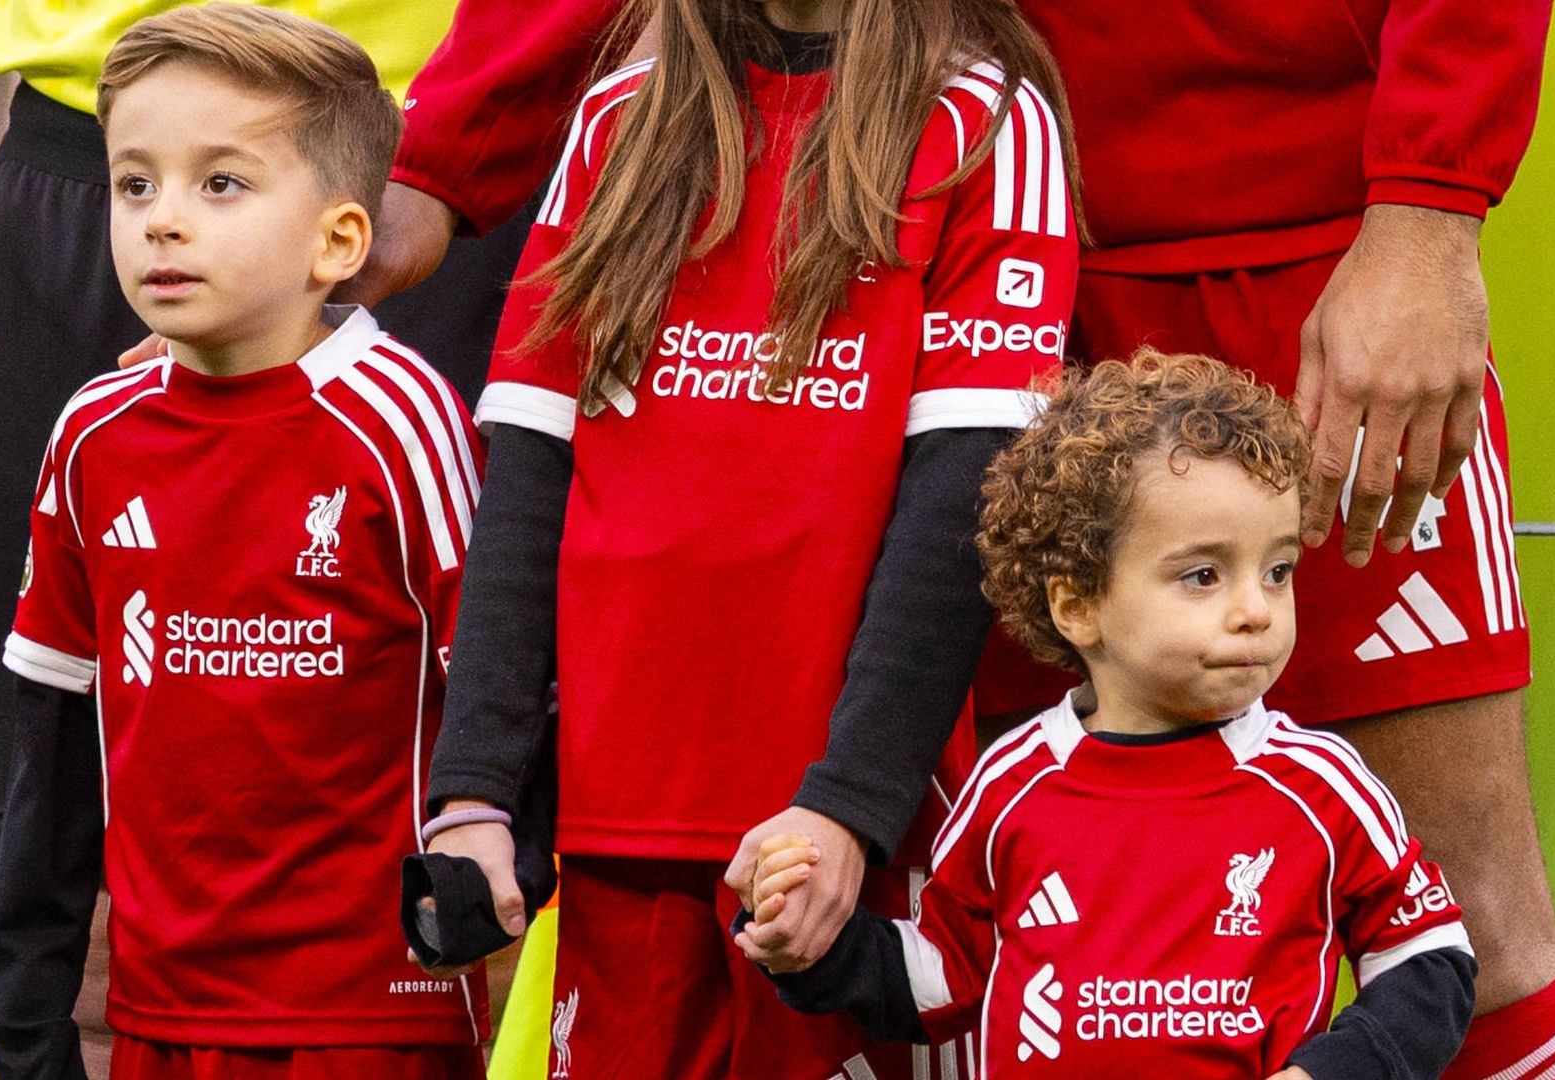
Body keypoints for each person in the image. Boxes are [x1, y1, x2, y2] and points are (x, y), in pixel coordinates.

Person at [366, 3, 1555, 1075]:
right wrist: (450, 153)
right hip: (925, 269)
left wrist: (1427, 212)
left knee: (1476, 940)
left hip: (1294, 268)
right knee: (992, 966)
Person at [411, 0, 1081, 1075]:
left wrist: (849, 810)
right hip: (620, 831)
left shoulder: (987, 121)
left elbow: (963, 509)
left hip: (835, 848)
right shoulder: (619, 115)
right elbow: (529, 482)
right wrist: (476, 791)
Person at [0, 8, 532, 1078]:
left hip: (369, 1022)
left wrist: (487, 892)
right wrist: (29, 1023)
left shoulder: (403, 421)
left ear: (340, 240)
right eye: (135, 184)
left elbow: (499, 691)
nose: (162, 221)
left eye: (219, 183)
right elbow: (52, 749)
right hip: (159, 1015)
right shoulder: (93, 434)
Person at [736, 350, 1478, 1077]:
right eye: (1204, 575)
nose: (1256, 610)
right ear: (1078, 606)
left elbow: (1431, 964)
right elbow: (941, 980)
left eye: (1277, 570)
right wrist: (807, 941)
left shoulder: (1319, 786)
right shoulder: (1011, 785)